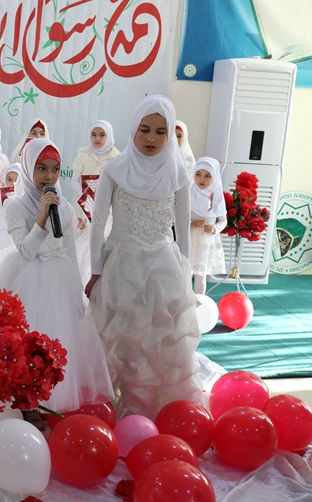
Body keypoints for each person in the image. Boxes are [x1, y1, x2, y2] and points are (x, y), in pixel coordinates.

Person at [85, 94, 203, 420]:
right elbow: (97, 224)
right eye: (145, 129)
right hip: (120, 268)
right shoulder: (114, 169)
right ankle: (110, 412)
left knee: (158, 344)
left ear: (170, 135)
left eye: (161, 132)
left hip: (163, 270)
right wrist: (95, 271)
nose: (152, 138)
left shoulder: (179, 175)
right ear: (133, 129)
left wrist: (186, 276)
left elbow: (182, 229)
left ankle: (153, 414)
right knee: (118, 341)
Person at [0, 139, 112, 429]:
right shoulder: (14, 205)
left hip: (58, 279)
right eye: (41, 168)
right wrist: (41, 216)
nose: (49, 177)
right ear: (29, 168)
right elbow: (26, 250)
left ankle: (49, 398)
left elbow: (67, 252)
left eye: (54, 170)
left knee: (57, 344)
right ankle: (26, 402)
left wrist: (77, 291)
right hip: (27, 278)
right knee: (26, 343)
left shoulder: (64, 207)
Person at [70, 120, 120, 287]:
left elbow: (118, 182)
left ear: (109, 135)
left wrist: (103, 197)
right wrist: (87, 196)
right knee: (82, 235)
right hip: (83, 202)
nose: (97, 138)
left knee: (102, 236)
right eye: (93, 134)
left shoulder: (116, 156)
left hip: (106, 205)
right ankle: (77, 280)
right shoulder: (83, 154)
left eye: (102, 135)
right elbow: (74, 180)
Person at [190, 157, 227, 294]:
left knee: (200, 276)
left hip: (206, 244)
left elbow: (223, 221)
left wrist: (214, 229)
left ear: (215, 177)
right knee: (186, 274)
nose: (202, 179)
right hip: (189, 240)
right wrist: (191, 224)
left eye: (207, 176)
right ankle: (184, 303)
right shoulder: (189, 193)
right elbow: (176, 217)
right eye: (198, 174)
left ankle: (199, 303)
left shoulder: (217, 197)